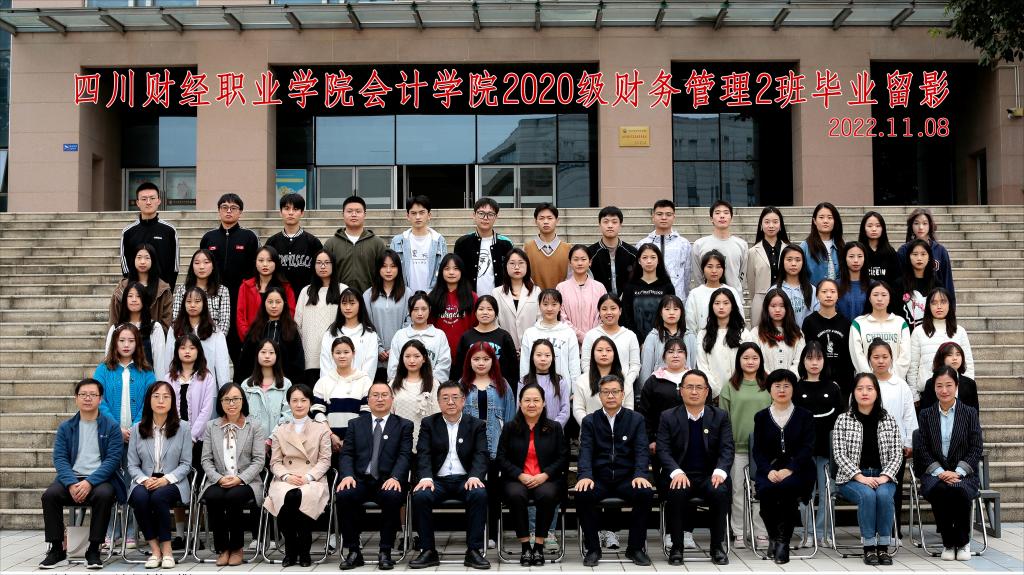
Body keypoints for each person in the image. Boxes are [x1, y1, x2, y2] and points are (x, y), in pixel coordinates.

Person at [39, 379, 125, 570]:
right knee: (50, 496)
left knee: (104, 495)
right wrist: (71, 483)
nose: (88, 398)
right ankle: (57, 549)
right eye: (83, 394)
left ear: (100, 399)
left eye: (93, 395)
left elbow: (112, 460)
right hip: (71, 479)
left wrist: (89, 482)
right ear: (76, 398)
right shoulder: (66, 427)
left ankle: (94, 549)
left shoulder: (111, 427)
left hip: (100, 480)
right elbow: (60, 459)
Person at [408, 381, 491, 570]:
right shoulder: (429, 424)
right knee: (421, 495)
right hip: (437, 481)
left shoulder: (476, 425)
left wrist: (475, 476)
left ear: (463, 400)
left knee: (479, 493)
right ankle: (428, 550)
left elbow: (481, 454)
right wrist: (426, 477)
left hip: (465, 480)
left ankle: (474, 551)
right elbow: (423, 453)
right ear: (438, 402)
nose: (451, 402)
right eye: (445, 398)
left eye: (455, 397)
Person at [575, 374, 654, 567]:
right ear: (599, 395)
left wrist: (640, 474)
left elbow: (642, 450)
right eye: (606, 392)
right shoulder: (590, 421)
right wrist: (585, 475)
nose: (610, 396)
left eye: (615, 392)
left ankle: (635, 548)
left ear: (623, 394)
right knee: (582, 493)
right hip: (599, 478)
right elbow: (585, 451)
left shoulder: (636, 419)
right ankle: (593, 549)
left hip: (627, 478)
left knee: (645, 492)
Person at [656, 369, 734, 565]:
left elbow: (727, 448)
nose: (694, 391)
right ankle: (677, 547)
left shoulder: (720, 416)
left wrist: (720, 471)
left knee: (720, 492)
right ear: (681, 390)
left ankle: (717, 546)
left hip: (710, 475)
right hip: (681, 474)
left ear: (707, 391)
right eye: (689, 387)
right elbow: (663, 450)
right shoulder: (668, 416)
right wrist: (676, 472)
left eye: (699, 387)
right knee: (676, 492)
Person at [335, 382, 414, 570]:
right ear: (368, 400)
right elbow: (346, 454)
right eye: (375, 395)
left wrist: (396, 477)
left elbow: (405, 455)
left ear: (392, 399)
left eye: (384, 395)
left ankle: (385, 551)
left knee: (392, 496)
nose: (380, 399)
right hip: (360, 479)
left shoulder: (404, 425)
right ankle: (353, 551)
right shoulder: (355, 424)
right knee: (344, 494)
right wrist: (347, 475)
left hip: (388, 480)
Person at [832, 373, 903, 566]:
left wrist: (885, 476)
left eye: (869, 388)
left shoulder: (888, 420)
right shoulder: (843, 420)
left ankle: (883, 547)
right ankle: (869, 547)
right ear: (853, 393)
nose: (865, 393)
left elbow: (897, 454)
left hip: (883, 476)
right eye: (860, 388)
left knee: (884, 495)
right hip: (852, 478)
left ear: (877, 392)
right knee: (868, 495)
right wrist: (860, 477)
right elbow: (839, 454)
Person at [913, 366, 983, 561]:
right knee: (940, 490)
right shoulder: (926, 415)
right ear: (933, 388)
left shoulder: (969, 413)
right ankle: (948, 542)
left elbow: (976, 447)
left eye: (949, 385)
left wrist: (958, 472)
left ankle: (962, 542)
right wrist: (940, 472)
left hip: (964, 474)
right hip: (934, 473)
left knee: (959, 490)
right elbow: (922, 448)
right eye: (939, 386)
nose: (944, 390)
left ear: (956, 386)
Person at [496, 384, 569, 566]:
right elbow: (501, 458)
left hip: (546, 479)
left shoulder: (554, 427)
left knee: (547, 494)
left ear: (544, 403)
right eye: (527, 400)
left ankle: (538, 546)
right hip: (517, 479)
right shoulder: (510, 428)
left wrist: (545, 475)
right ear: (520, 403)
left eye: (536, 400)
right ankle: (525, 548)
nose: (531, 404)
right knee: (516, 495)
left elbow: (563, 457)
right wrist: (519, 475)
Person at [125, 381, 193, 569]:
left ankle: (167, 550)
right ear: (149, 400)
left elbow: (186, 464)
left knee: (159, 497)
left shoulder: (183, 428)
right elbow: (132, 465)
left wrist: (165, 480)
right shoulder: (138, 428)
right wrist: (145, 480)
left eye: (166, 397)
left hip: (173, 481)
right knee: (139, 497)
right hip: (145, 479)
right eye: (156, 396)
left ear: (172, 401)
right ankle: (155, 550)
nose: (161, 401)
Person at [264, 384, 333, 567]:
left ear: (310, 403)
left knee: (300, 496)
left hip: (313, 479)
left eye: (303, 400)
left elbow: (325, 460)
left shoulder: (321, 429)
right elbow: (275, 462)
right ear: (289, 403)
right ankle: (291, 548)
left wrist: (308, 477)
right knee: (287, 496)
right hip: (286, 478)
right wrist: (286, 476)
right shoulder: (280, 429)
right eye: (294, 400)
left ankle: (303, 550)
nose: (299, 404)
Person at [751, 369, 816, 564]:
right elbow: (758, 450)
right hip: (769, 469)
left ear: (793, 389)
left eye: (786, 386)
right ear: (769, 389)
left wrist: (790, 469)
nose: (781, 390)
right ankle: (774, 536)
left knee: (788, 488)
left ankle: (782, 542)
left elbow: (808, 448)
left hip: (799, 468)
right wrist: (769, 470)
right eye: (777, 386)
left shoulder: (805, 415)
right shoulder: (761, 417)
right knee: (767, 490)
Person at [199, 383, 267, 566]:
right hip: (219, 480)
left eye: (236, 399)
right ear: (220, 402)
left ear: (243, 401)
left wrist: (239, 479)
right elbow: (206, 460)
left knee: (234, 496)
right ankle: (223, 548)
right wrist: (219, 478)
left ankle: (237, 548)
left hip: (247, 481)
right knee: (213, 497)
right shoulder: (211, 426)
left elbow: (259, 460)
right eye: (227, 399)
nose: (231, 403)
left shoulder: (254, 426)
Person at [460, 340, 518, 550]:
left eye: (486, 359)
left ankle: (492, 533)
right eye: (476, 359)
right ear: (469, 361)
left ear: (493, 361)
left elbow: (510, 419)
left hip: (495, 448)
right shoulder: (462, 385)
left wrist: (507, 449)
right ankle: (474, 533)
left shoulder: (503, 385)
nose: (481, 363)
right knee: (473, 492)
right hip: (469, 450)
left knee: (493, 493)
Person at [718, 342, 770, 548]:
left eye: (755, 358)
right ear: (738, 360)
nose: (750, 362)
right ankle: (739, 532)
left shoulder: (769, 385)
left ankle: (761, 532)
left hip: (764, 450)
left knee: (761, 490)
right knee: (738, 492)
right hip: (737, 449)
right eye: (746, 358)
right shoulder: (730, 387)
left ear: (761, 360)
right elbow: (723, 421)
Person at [792, 340, 844, 543]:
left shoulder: (833, 387)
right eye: (809, 358)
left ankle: (824, 533)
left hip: (827, 450)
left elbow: (840, 418)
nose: (814, 363)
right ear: (803, 361)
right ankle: (808, 533)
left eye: (819, 358)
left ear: (824, 361)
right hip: (803, 452)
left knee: (827, 492)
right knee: (805, 493)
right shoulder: (796, 388)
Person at [199, 193, 260, 362]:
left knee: (239, 349)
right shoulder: (209, 238)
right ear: (219, 210)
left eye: (233, 208)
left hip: (240, 297)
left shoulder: (249, 237)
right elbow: (200, 265)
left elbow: (256, 269)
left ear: (240, 212)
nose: (228, 211)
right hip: (213, 297)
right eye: (224, 207)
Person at [869, 338, 917, 535]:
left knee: (893, 489)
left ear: (891, 358)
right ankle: (873, 531)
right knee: (872, 489)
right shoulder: (864, 383)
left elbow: (909, 415)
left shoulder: (901, 385)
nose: (881, 361)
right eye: (876, 357)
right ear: (869, 359)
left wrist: (909, 442)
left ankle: (893, 530)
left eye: (885, 357)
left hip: (895, 447)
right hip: (869, 446)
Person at [164, 333, 217, 471]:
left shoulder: (207, 378)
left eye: (192, 348)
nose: (187, 351)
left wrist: (192, 437)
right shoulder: (168, 378)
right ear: (177, 351)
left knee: (196, 472)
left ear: (198, 351)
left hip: (198, 439)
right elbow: (165, 407)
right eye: (183, 348)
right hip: (173, 436)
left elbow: (206, 410)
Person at [313, 337, 372, 458]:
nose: (342, 356)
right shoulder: (323, 382)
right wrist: (331, 435)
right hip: (328, 443)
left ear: (353, 353)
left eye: (346, 352)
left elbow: (367, 412)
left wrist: (349, 439)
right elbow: (317, 412)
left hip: (357, 442)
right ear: (332, 355)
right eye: (338, 352)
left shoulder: (365, 381)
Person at [95, 323, 156, 442]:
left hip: (140, 435)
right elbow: (98, 399)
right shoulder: (102, 370)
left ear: (137, 343)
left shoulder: (147, 371)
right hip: (108, 435)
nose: (126, 345)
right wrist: (116, 428)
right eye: (121, 340)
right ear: (115, 343)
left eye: (131, 341)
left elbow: (150, 400)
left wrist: (135, 428)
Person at [909, 288, 975, 397]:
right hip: (928, 392)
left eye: (943, 302)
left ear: (950, 305)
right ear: (928, 306)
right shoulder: (918, 332)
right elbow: (913, 366)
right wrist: (914, 395)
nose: (939, 306)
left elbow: (968, 363)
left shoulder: (960, 331)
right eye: (934, 303)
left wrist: (966, 388)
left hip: (955, 392)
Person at [295, 250, 346, 385]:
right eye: (319, 263)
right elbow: (297, 323)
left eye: (327, 263)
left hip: (336, 355)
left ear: (333, 265)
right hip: (310, 357)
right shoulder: (306, 291)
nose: (323, 266)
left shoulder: (343, 290)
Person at [237, 287, 305, 385]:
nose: (274, 306)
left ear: (284, 304)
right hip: (256, 384)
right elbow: (244, 361)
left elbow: (298, 363)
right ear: (264, 303)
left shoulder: (291, 330)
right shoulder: (255, 329)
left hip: (284, 385)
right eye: (270, 302)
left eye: (278, 302)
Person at [165, 287, 231, 387]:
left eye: (197, 301)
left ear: (204, 304)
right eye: (188, 301)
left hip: (207, 387)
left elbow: (222, 367)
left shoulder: (215, 333)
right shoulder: (175, 329)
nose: (192, 305)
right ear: (183, 304)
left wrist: (224, 391)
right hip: (179, 385)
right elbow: (168, 361)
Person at [637, 337, 688, 464]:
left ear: (686, 356)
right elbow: (645, 413)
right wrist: (651, 439)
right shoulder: (653, 381)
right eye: (670, 351)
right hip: (661, 441)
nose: (675, 355)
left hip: (691, 439)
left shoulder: (695, 379)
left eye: (680, 351)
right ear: (664, 357)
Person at [803, 279, 855, 401]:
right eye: (824, 291)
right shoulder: (809, 322)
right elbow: (805, 353)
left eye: (832, 291)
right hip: (816, 379)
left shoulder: (846, 323)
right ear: (817, 295)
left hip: (842, 382)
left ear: (838, 295)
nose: (828, 295)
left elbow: (849, 356)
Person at [323, 196, 387, 294]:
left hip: (369, 297)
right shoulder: (331, 244)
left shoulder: (377, 243)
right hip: (338, 297)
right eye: (349, 211)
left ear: (364, 214)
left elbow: (384, 272)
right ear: (343, 214)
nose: (354, 214)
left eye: (358, 211)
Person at [120, 182, 179, 288]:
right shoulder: (128, 232)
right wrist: (133, 289)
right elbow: (125, 267)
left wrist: (167, 291)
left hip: (162, 291)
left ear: (159, 201)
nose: (148, 202)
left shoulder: (169, 230)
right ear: (137, 203)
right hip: (136, 291)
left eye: (152, 198)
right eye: (144, 199)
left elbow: (174, 266)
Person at [696, 288, 754, 397]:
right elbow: (702, 365)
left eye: (726, 303)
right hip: (713, 394)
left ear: (732, 306)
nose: (721, 307)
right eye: (717, 303)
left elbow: (749, 363)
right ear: (711, 306)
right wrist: (716, 390)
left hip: (740, 392)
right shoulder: (703, 334)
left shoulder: (744, 334)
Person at [364, 250, 411, 382]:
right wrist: (378, 348)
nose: (388, 270)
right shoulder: (368, 295)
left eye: (393, 266)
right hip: (374, 357)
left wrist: (395, 348)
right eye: (384, 266)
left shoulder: (407, 294)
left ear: (399, 269)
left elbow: (409, 322)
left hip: (400, 357)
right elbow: (366, 323)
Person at [453, 197, 515, 297]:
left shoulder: (506, 243)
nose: (485, 218)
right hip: (469, 299)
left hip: (500, 299)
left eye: (490, 214)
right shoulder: (463, 243)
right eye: (481, 213)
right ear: (474, 215)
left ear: (496, 217)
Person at [581, 294, 642, 396]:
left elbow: (635, 365)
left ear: (620, 311)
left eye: (613, 308)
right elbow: (585, 362)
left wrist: (626, 383)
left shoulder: (630, 335)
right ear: (599, 312)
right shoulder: (591, 335)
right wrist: (596, 382)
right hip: (596, 390)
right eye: (604, 309)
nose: (609, 312)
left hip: (624, 391)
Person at [518, 289, 582, 386]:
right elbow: (525, 365)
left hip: (563, 389)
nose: (549, 308)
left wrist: (575, 390)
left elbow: (574, 365)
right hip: (534, 390)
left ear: (560, 306)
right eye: (545, 304)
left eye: (554, 304)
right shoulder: (530, 333)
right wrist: (525, 387)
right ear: (539, 306)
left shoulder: (568, 333)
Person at [850, 281, 912, 380]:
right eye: (875, 295)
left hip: (895, 382)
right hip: (867, 384)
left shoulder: (900, 323)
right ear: (869, 298)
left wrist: (890, 378)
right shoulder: (858, 323)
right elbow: (857, 356)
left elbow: (905, 356)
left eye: (884, 295)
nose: (879, 299)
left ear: (890, 298)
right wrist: (871, 380)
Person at [452, 296, 519, 386]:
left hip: (499, 387)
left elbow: (513, 368)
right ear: (475, 312)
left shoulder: (504, 336)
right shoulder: (466, 337)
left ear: (496, 313)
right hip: (470, 387)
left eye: (489, 309)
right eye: (481, 309)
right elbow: (458, 367)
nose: (485, 312)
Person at [236, 245, 297, 342]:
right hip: (252, 340)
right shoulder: (245, 287)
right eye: (261, 260)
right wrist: (249, 338)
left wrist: (279, 338)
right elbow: (241, 317)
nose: (265, 264)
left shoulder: (286, 288)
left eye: (269, 260)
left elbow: (290, 314)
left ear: (276, 263)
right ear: (255, 263)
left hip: (278, 341)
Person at [386, 293, 452, 382]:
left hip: (432, 385)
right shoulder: (400, 335)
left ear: (430, 309)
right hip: (404, 386)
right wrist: (406, 384)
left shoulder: (439, 335)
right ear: (409, 311)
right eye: (415, 309)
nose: (420, 313)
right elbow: (393, 367)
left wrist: (430, 383)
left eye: (424, 309)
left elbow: (444, 364)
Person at [265, 193, 323, 293]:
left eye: (295, 209)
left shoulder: (313, 242)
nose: (291, 213)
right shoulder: (272, 242)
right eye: (287, 209)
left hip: (306, 295)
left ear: (302, 213)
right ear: (280, 212)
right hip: (278, 297)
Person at [389, 340, 442, 449]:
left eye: (416, 356)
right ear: (402, 358)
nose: (412, 360)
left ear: (424, 358)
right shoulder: (393, 384)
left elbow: (437, 414)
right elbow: (388, 414)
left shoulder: (433, 383)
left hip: (426, 442)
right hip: (399, 441)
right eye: (407, 356)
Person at [319, 288, 379, 382]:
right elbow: (325, 364)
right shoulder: (330, 334)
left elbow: (370, 366)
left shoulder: (370, 334)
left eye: (352, 303)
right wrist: (330, 385)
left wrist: (360, 385)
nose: (347, 307)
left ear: (360, 305)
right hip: (333, 387)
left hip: (360, 387)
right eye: (344, 303)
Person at [390, 195, 447, 293]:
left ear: (429, 215)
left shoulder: (439, 241)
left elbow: (443, 271)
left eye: (422, 212)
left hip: (432, 295)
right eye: (413, 213)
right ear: (408, 216)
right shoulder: (398, 241)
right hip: (404, 295)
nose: (418, 217)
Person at [636, 199, 691, 300]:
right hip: (650, 298)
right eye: (659, 214)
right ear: (653, 216)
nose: (664, 218)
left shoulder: (684, 244)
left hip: (676, 300)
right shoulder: (642, 244)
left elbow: (687, 276)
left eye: (668, 214)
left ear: (674, 217)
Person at [106, 281, 167, 372]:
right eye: (130, 296)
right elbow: (109, 359)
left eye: (138, 296)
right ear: (125, 300)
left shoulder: (155, 328)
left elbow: (159, 363)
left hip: (147, 378)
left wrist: (158, 381)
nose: (134, 300)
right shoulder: (116, 329)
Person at [110, 244, 173, 329]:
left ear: (153, 260)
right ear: (133, 259)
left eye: (147, 258)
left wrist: (156, 334)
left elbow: (167, 320)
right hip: (126, 335)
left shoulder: (163, 289)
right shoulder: (122, 287)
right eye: (139, 257)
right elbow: (114, 319)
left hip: (154, 335)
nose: (142, 261)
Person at [239, 339, 292, 440]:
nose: (267, 356)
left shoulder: (286, 384)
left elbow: (288, 415)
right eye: (263, 352)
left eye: (271, 352)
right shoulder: (247, 385)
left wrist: (271, 439)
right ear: (257, 355)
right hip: (251, 440)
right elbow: (242, 415)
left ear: (277, 356)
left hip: (278, 441)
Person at [898, 208, 955, 301]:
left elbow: (947, 281)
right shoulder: (903, 251)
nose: (921, 227)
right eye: (916, 223)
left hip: (935, 301)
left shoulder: (940, 251)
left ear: (930, 225)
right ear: (911, 226)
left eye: (925, 223)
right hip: (910, 301)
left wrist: (951, 306)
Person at [684, 250, 744, 339]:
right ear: (703, 268)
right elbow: (690, 324)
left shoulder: (731, 291)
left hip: (730, 339)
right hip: (702, 341)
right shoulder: (695, 294)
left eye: (718, 267)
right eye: (709, 266)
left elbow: (739, 319)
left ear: (723, 269)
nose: (714, 271)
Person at [573, 335, 631, 425]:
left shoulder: (625, 379)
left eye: (608, 350)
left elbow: (629, 407)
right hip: (591, 429)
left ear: (615, 354)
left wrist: (617, 427)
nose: (604, 354)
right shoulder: (582, 380)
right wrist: (590, 426)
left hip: (620, 429)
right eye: (599, 350)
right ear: (593, 354)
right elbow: (578, 409)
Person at [621, 243, 676, 339]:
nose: (649, 261)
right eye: (645, 257)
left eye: (653, 257)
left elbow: (671, 314)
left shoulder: (667, 286)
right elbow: (626, 317)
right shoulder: (630, 287)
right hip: (635, 340)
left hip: (662, 338)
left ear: (658, 260)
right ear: (639, 261)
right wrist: (639, 340)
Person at [691, 200, 748, 292]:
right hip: (707, 296)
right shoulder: (699, 245)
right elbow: (698, 276)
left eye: (726, 213)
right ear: (711, 218)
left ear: (731, 218)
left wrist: (736, 291)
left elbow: (742, 275)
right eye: (717, 213)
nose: (722, 216)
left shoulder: (742, 245)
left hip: (734, 296)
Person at [172, 249, 232, 335]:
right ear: (192, 267)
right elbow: (176, 319)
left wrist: (214, 339)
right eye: (197, 263)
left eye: (206, 262)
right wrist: (189, 340)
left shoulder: (222, 291)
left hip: (213, 339)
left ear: (213, 266)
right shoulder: (182, 290)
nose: (201, 267)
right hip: (187, 340)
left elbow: (224, 323)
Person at [493, 248, 541, 355]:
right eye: (512, 263)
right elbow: (495, 322)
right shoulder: (496, 293)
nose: (517, 267)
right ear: (506, 266)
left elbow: (540, 319)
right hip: (505, 348)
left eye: (521, 263)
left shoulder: (536, 291)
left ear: (527, 266)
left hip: (532, 348)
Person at [747, 206, 790, 326]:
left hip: (785, 300)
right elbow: (751, 282)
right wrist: (757, 297)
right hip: (760, 300)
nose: (771, 225)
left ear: (780, 225)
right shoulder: (753, 252)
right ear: (761, 225)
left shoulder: (788, 249)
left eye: (775, 222)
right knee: (759, 334)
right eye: (767, 222)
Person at [556, 244, 607, 343]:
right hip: (569, 342)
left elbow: (603, 314)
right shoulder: (561, 288)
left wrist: (591, 336)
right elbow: (561, 316)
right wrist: (580, 336)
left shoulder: (599, 287)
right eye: (575, 259)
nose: (580, 263)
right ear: (570, 263)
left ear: (590, 262)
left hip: (595, 343)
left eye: (583, 259)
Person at [428, 254, 478, 353]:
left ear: (461, 271)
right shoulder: (432, 297)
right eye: (447, 269)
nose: (451, 272)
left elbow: (477, 325)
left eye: (456, 268)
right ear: (441, 271)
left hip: (466, 351)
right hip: (439, 352)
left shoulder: (472, 297)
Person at [640, 294, 696, 381]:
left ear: (681, 312)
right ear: (660, 312)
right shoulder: (653, 337)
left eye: (676, 309)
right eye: (667, 309)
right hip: (659, 385)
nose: (671, 312)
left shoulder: (690, 336)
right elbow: (646, 368)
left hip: (685, 385)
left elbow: (693, 364)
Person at [587, 206, 638, 297]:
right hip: (598, 302)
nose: (610, 225)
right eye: (606, 222)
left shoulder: (633, 253)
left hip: (627, 302)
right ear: (599, 224)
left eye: (614, 222)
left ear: (620, 224)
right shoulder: (590, 253)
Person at [756, 287, 806, 373]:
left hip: (791, 380)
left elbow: (799, 361)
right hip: (765, 380)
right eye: (773, 306)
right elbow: (757, 362)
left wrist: (787, 377)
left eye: (782, 306)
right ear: (766, 308)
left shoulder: (797, 333)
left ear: (787, 308)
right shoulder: (756, 333)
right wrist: (770, 378)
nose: (777, 310)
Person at [523, 203, 571, 289]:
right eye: (541, 218)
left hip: (562, 296)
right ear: (535, 221)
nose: (545, 222)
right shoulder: (527, 248)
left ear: (557, 221)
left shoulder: (568, 249)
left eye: (550, 218)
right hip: (534, 296)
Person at [920, 342, 979, 410]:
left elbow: (974, 411)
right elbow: (926, 411)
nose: (955, 358)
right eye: (949, 355)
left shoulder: (970, 383)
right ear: (941, 358)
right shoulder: (931, 383)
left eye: (958, 354)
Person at [799, 202, 845, 286]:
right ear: (814, 221)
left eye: (830, 217)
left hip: (838, 293)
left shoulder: (841, 246)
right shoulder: (805, 247)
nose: (825, 221)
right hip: (813, 293)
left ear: (835, 221)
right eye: (821, 217)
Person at [899, 239, 939, 331]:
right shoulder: (899, 284)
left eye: (923, 254)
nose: (919, 258)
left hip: (930, 332)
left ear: (929, 257)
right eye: (915, 254)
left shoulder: (936, 284)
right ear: (908, 257)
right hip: (905, 334)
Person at [859, 211, 902, 288]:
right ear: (863, 228)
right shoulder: (859, 251)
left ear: (883, 228)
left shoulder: (890, 252)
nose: (874, 229)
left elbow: (896, 277)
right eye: (869, 226)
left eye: (878, 226)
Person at [777, 245, 818, 325]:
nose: (793, 264)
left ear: (803, 263)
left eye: (798, 260)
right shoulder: (775, 290)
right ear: (782, 262)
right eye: (789, 259)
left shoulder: (812, 289)